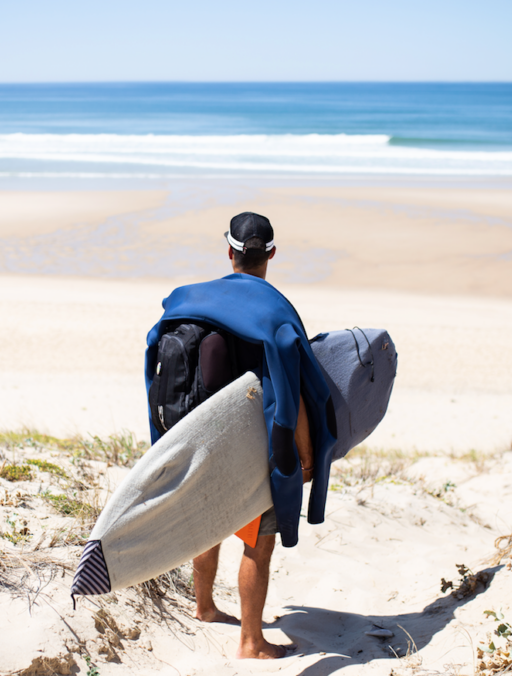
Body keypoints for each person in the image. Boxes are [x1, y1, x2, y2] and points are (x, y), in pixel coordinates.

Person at [187, 212, 316, 659]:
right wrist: (304, 456)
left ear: (230, 252)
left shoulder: (202, 300)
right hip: (255, 444)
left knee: (209, 527)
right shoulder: (275, 309)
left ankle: (204, 607)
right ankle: (251, 641)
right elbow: (293, 390)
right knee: (258, 543)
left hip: (202, 437)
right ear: (272, 254)